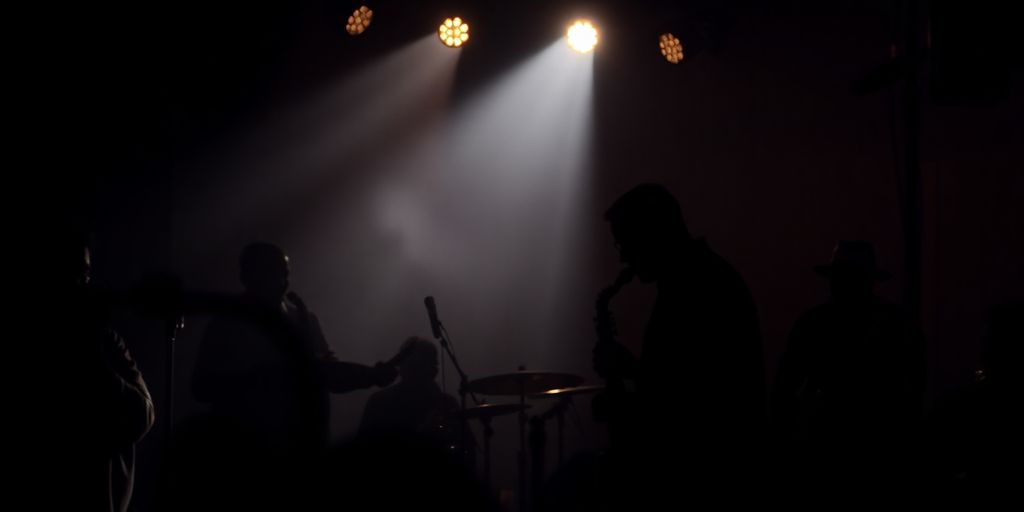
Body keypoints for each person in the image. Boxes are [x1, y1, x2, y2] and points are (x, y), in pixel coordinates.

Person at [593, 183, 765, 506]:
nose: (623, 256)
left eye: (625, 242)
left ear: (652, 231)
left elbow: (692, 396)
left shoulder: (700, 285)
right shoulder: (695, 277)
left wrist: (627, 374)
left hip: (708, 473)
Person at [772, 240, 926, 496]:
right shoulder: (899, 326)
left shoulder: (815, 324)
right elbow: (914, 391)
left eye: (844, 277)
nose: (838, 285)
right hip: (880, 455)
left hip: (828, 452)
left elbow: (783, 388)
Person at [47, 231, 155, 512]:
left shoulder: (107, 340)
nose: (80, 284)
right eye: (69, 272)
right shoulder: (103, 342)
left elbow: (143, 414)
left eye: (83, 274)